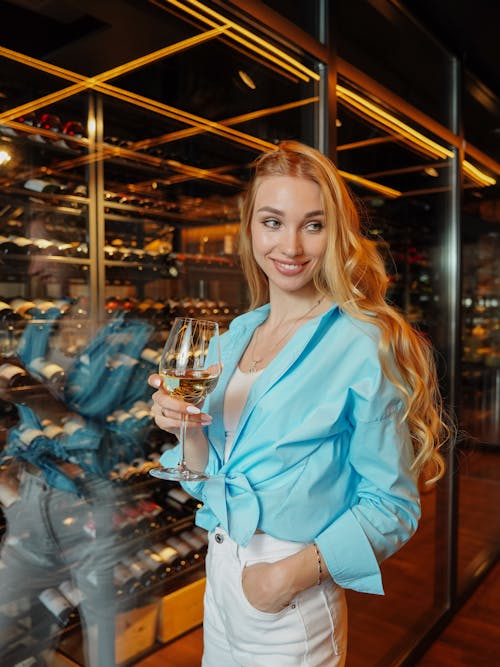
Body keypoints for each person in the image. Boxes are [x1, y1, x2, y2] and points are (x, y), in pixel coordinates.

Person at [149, 140, 448, 667]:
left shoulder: (363, 344)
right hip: (218, 574)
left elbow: (393, 507)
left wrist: (284, 577)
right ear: (250, 229)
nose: (290, 245)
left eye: (313, 224)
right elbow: (203, 481)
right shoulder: (232, 337)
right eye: (272, 221)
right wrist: (188, 429)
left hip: (289, 592)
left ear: (337, 235)